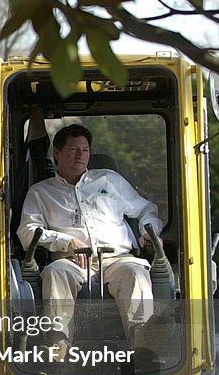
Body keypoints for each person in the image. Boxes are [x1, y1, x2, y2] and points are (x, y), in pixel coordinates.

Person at [17, 124, 162, 359]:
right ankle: (58, 344)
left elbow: (147, 210)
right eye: (74, 149)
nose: (80, 155)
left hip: (117, 259)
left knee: (136, 272)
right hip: (72, 263)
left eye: (84, 150)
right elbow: (27, 231)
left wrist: (150, 233)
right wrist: (65, 242)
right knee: (55, 272)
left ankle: (143, 346)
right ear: (57, 153)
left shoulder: (109, 180)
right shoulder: (40, 192)